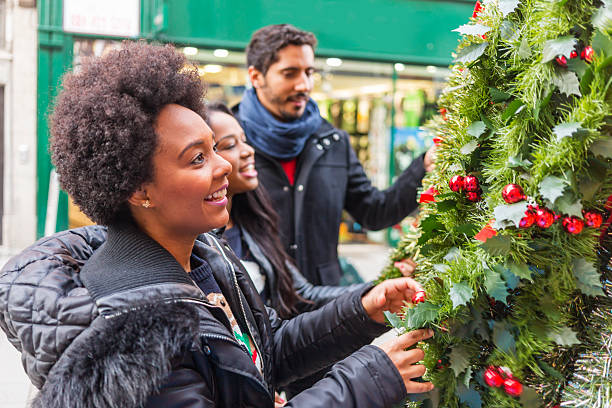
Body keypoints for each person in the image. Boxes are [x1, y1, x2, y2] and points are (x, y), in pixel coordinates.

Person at [0, 41, 434, 408]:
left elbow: (266, 350)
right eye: (198, 158)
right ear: (137, 190)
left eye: (215, 147)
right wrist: (373, 375)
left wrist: (363, 309)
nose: (224, 165)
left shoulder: (208, 256)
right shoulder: (133, 336)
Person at [235, 23, 435, 287]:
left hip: (324, 305)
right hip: (257, 304)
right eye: (289, 73)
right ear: (256, 76)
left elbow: (374, 212)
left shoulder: (332, 141)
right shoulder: (230, 141)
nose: (304, 85)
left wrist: (423, 166)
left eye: (309, 72)